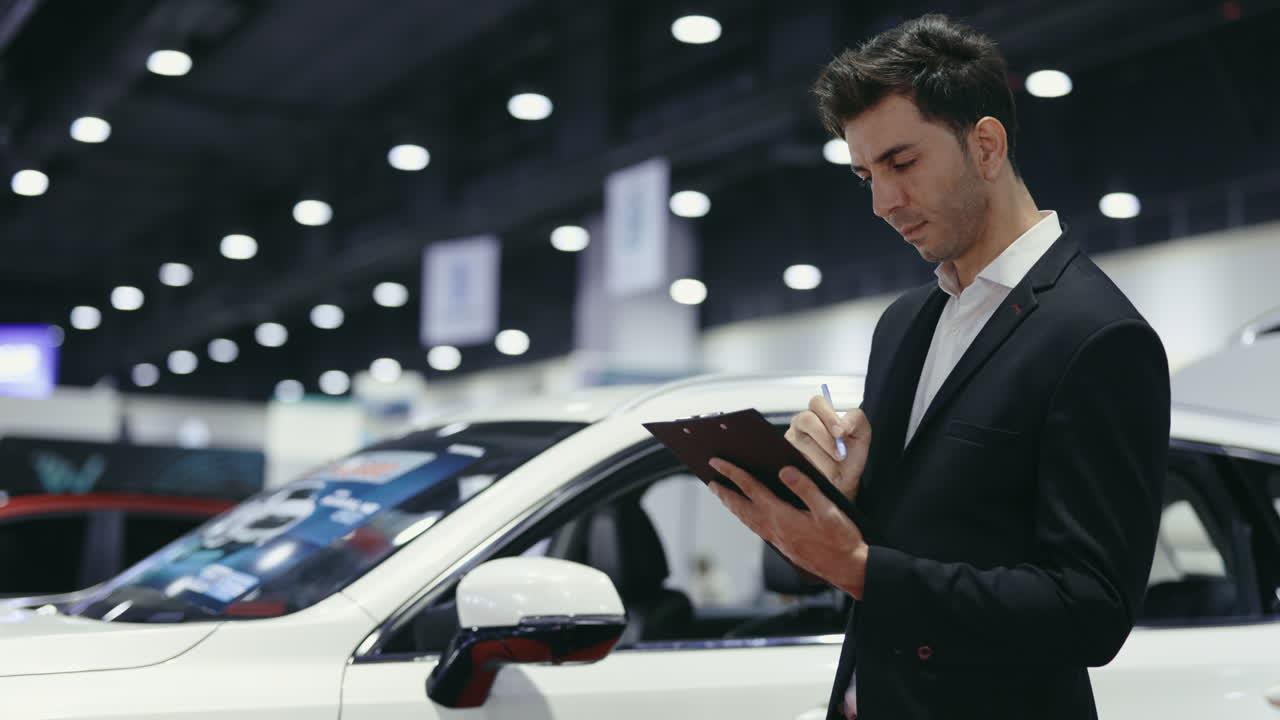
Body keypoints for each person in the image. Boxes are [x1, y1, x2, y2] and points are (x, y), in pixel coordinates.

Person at [706, 14, 1170, 720]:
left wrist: (860, 568)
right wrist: (837, 499)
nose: (881, 203)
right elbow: (923, 542)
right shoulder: (906, 322)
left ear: (985, 144)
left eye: (901, 163)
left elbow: (1092, 608)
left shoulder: (1098, 334)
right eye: (865, 174)